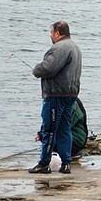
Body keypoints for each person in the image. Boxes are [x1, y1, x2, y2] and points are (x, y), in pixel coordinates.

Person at [29, 20, 82, 175]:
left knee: (49, 129)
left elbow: (48, 68)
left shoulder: (59, 48)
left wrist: (36, 70)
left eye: (52, 32)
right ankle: (66, 163)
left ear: (58, 33)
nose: (51, 36)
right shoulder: (75, 47)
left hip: (56, 95)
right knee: (65, 129)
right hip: (70, 94)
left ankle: (44, 163)